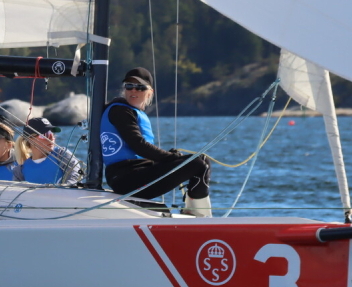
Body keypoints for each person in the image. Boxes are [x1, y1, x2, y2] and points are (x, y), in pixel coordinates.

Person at [100, 66, 212, 216]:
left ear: (150, 92)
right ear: (124, 89)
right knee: (198, 165)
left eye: (140, 87)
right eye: (129, 86)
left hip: (137, 173)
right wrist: (170, 157)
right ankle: (200, 218)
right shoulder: (120, 111)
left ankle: (196, 215)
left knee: (202, 160)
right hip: (125, 179)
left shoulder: (130, 111)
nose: (134, 90)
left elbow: (140, 153)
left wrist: (169, 158)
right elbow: (138, 145)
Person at [16, 116, 82, 186]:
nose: (51, 138)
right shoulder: (20, 171)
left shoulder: (62, 155)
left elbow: (75, 177)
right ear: (30, 140)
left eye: (52, 133)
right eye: (46, 134)